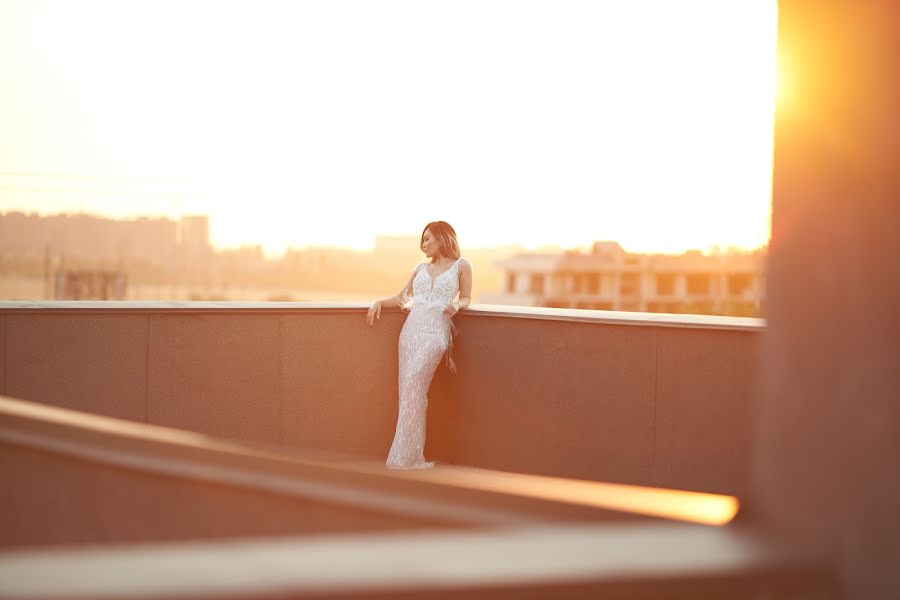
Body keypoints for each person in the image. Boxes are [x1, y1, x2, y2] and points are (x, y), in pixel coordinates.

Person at [367, 221, 473, 469]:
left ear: (442, 238)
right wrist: (379, 303)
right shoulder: (420, 268)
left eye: (427, 239)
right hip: (410, 333)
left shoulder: (462, 266)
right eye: (422, 240)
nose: (423, 244)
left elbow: (467, 297)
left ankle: (405, 456)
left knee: (414, 383)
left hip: (436, 333)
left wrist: (457, 305)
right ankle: (410, 456)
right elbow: (402, 297)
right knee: (408, 391)